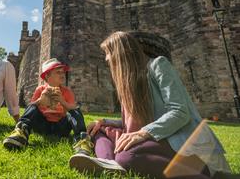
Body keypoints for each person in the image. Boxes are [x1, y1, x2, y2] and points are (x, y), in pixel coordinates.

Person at [69, 31, 231, 178]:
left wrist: (143, 133)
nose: (106, 59)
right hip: (159, 142)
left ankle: (201, 174)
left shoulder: (158, 65)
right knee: (99, 131)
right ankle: (110, 164)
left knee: (129, 156)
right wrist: (104, 122)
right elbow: (136, 122)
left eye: (108, 53)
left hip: (187, 149)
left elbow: (180, 112)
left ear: (121, 52)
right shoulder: (129, 84)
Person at [3, 58, 92, 155]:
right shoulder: (40, 89)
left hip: (61, 127)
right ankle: (21, 132)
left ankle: (81, 140)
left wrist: (62, 101)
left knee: (75, 111)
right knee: (33, 107)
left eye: (63, 72)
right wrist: (40, 101)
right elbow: (31, 107)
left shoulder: (67, 91)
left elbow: (73, 109)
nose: (62, 74)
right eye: (58, 72)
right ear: (47, 76)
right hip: (42, 125)